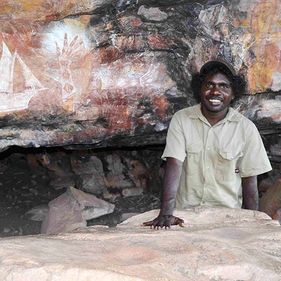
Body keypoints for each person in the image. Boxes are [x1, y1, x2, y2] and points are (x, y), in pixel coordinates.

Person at [144, 59, 272, 229]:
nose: (215, 92)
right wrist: (167, 213)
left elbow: (250, 183)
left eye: (223, 86)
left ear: (233, 94)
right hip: (187, 215)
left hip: (227, 217)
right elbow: (174, 164)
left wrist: (251, 224)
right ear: (200, 89)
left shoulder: (246, 129)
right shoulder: (182, 119)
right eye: (209, 85)